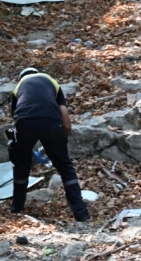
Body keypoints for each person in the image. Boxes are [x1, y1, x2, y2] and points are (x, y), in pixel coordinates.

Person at [8, 67, 88, 222]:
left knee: (21, 164)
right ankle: (81, 213)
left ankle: (16, 207)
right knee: (65, 167)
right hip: (51, 122)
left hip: (25, 124)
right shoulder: (52, 82)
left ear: (22, 77)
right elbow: (66, 120)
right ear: (37, 73)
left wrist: (26, 150)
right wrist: (59, 142)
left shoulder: (19, 87)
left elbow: (17, 119)